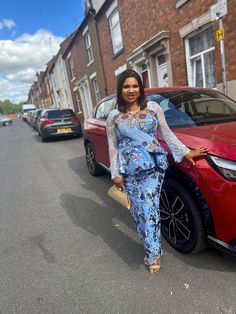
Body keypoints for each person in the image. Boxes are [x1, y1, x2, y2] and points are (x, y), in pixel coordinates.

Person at [106, 69, 208, 274]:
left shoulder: (152, 108)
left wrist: (186, 153)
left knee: (149, 209)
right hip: (130, 170)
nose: (131, 90)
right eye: (126, 86)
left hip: (153, 166)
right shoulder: (114, 116)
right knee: (137, 212)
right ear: (120, 89)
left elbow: (167, 133)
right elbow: (113, 146)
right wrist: (115, 173)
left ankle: (154, 254)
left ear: (140, 88)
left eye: (135, 85)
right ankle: (149, 246)